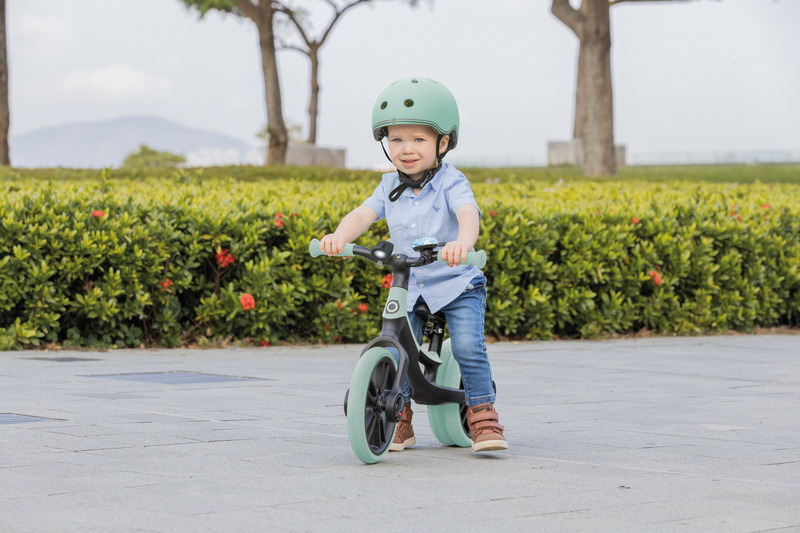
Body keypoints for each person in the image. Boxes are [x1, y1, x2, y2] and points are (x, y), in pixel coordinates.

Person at [319, 77, 507, 453]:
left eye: (419, 139)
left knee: (467, 346)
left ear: (443, 143)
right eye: (396, 140)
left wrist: (462, 243)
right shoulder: (388, 185)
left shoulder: (452, 181)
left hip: (456, 282)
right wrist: (340, 236)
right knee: (397, 349)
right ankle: (398, 417)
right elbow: (363, 214)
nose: (406, 149)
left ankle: (482, 414)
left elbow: (468, 212)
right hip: (412, 284)